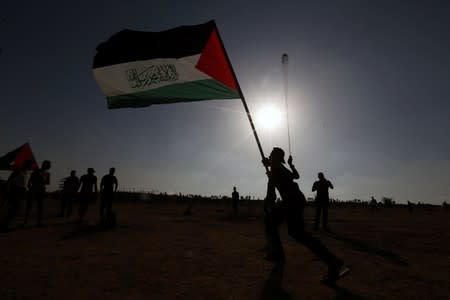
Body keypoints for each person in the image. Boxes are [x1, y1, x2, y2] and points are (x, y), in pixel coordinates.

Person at [263, 147, 348, 283]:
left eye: (272, 156)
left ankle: (332, 261)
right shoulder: (280, 169)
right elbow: (295, 176)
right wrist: (286, 166)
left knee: (294, 232)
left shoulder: (276, 168)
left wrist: (270, 169)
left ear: (275, 158)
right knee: (284, 228)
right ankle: (279, 253)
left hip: (291, 201)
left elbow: (271, 193)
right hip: (294, 200)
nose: (270, 157)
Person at [0, 160, 32, 231]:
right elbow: (9, 181)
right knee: (14, 208)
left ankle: (4, 224)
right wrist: (7, 191)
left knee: (15, 209)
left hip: (22, 191)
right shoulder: (17, 171)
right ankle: (4, 225)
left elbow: (27, 183)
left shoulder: (28, 173)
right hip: (15, 190)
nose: (29, 166)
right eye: (28, 164)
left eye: (29, 165)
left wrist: (28, 188)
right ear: (25, 164)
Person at [24, 160, 51, 227]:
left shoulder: (47, 173)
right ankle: (25, 222)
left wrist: (42, 180)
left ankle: (38, 222)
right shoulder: (37, 171)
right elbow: (30, 180)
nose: (49, 166)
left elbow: (47, 182)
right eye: (48, 165)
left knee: (40, 207)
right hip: (34, 189)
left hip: (41, 190)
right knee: (29, 206)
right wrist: (30, 186)